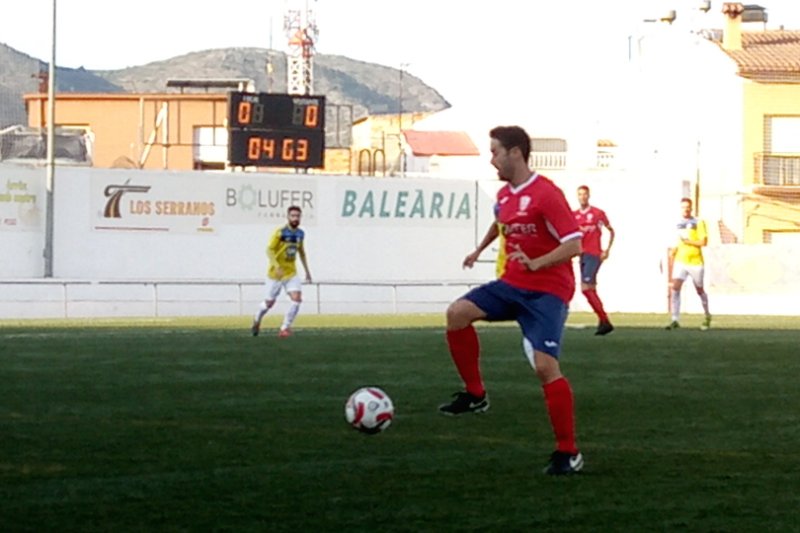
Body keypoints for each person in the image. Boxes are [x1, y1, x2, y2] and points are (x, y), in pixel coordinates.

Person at [440, 125, 584, 476]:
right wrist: (478, 249)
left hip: (548, 290)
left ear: (515, 152)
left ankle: (569, 452)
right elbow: (501, 223)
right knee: (457, 313)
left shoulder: (547, 194)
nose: (492, 160)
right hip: (512, 284)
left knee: (545, 367)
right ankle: (476, 394)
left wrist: (539, 262)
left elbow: (574, 244)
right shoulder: (504, 196)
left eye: (495, 152)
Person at [251, 205, 312, 337]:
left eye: (298, 216)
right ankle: (257, 319)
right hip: (275, 274)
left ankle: (285, 328)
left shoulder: (301, 234)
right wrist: (276, 265)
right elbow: (269, 250)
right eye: (293, 216)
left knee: (297, 299)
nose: (295, 218)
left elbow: (302, 252)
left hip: (291, 273)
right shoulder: (280, 232)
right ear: (288, 217)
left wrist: (307, 270)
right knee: (269, 303)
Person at [573, 185, 616, 336]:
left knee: (585, 288)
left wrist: (607, 250)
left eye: (584, 194)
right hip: (582, 255)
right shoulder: (574, 216)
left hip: (593, 254)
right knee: (590, 289)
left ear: (589, 195)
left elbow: (611, 230)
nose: (582, 197)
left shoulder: (597, 213)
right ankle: (603, 321)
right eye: (580, 194)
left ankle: (605, 320)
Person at [666, 197, 711, 331]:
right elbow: (677, 241)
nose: (685, 209)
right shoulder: (677, 223)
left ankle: (707, 315)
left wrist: (688, 242)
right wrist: (674, 250)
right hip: (681, 260)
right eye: (683, 207)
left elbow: (703, 242)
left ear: (691, 208)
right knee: (675, 287)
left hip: (695, 261)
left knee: (699, 290)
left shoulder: (698, 222)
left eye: (687, 207)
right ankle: (675, 319)